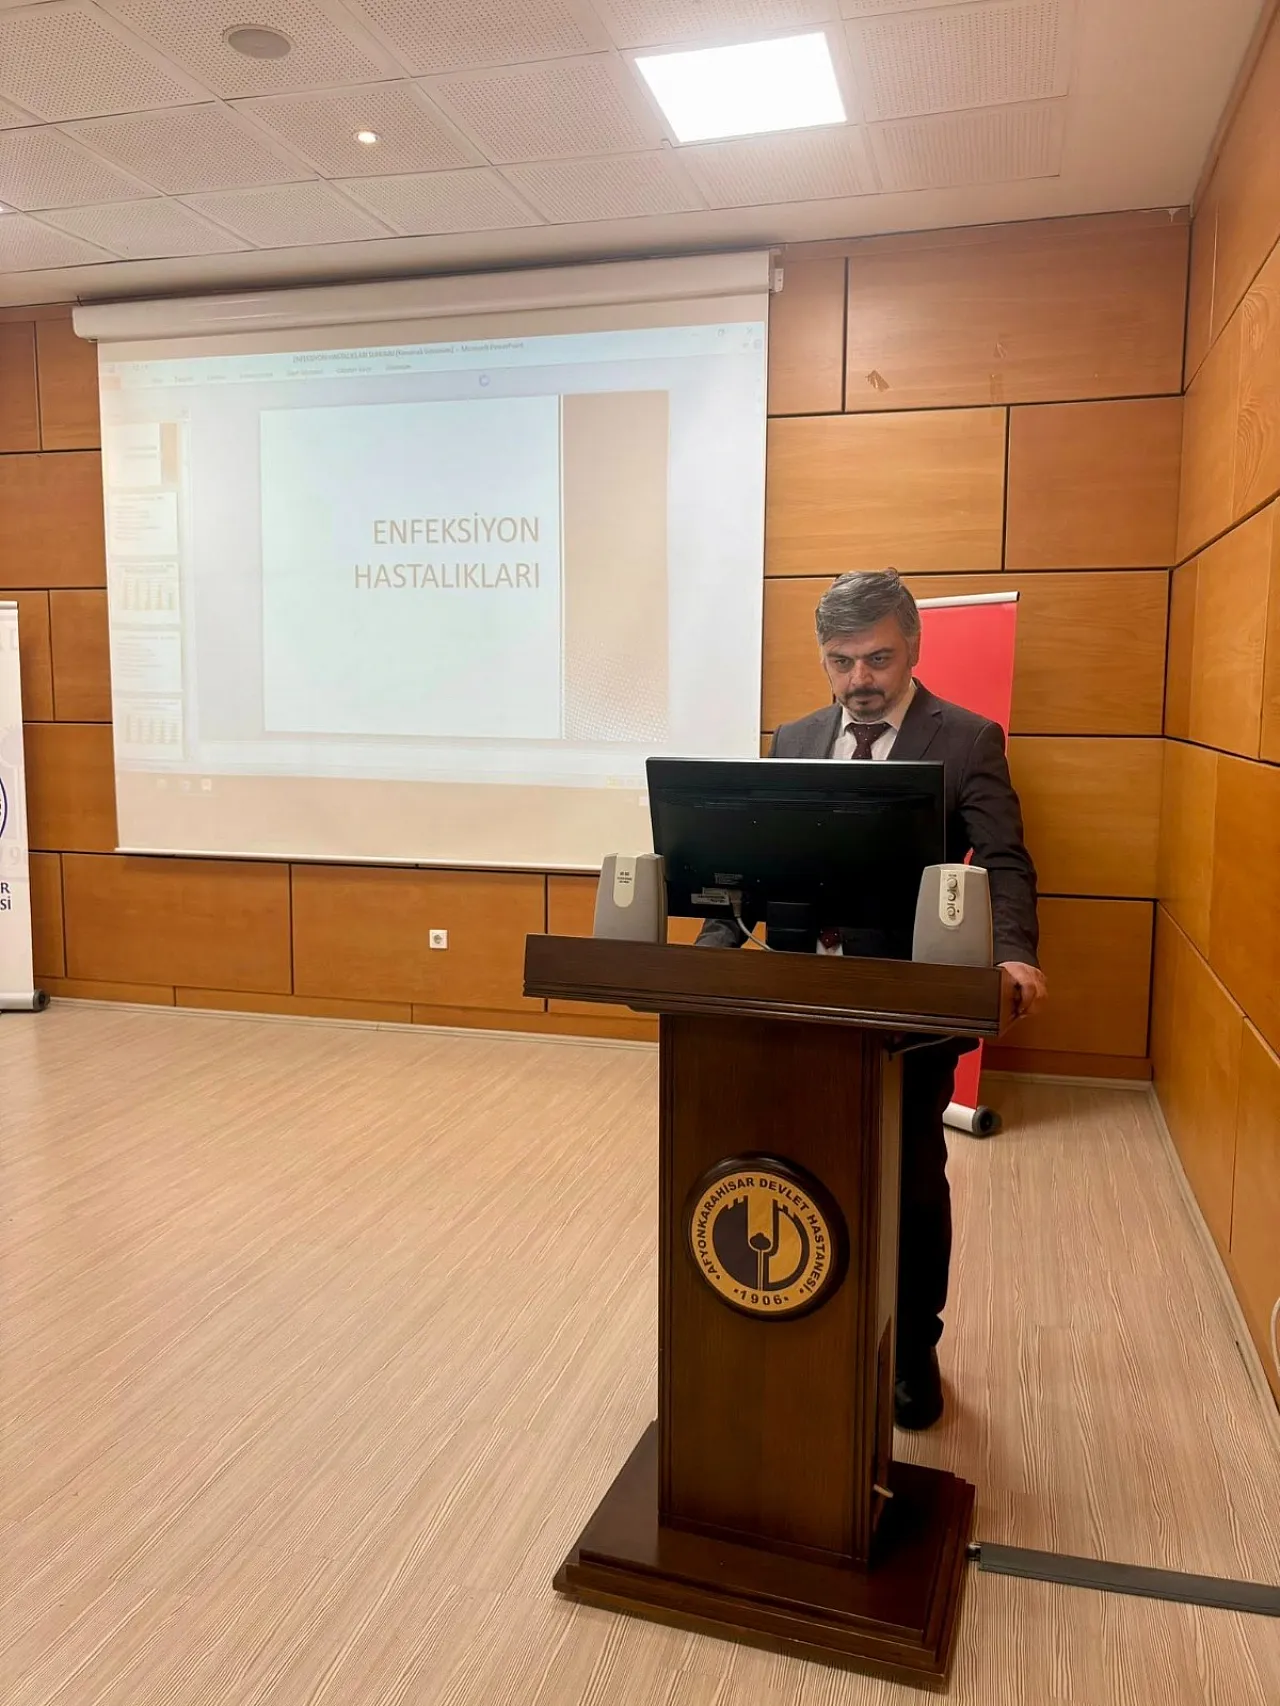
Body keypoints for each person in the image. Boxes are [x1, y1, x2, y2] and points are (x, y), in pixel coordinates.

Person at [698, 569, 1045, 1431]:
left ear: (913, 648)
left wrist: (1014, 954)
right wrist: (714, 947)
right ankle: (806, 1325)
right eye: (841, 661)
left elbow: (1003, 860)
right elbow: (758, 861)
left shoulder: (967, 739)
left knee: (910, 1175)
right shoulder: (796, 738)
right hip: (799, 997)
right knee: (793, 1164)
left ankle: (914, 1348)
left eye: (878, 659)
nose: (860, 679)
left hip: (912, 1003)